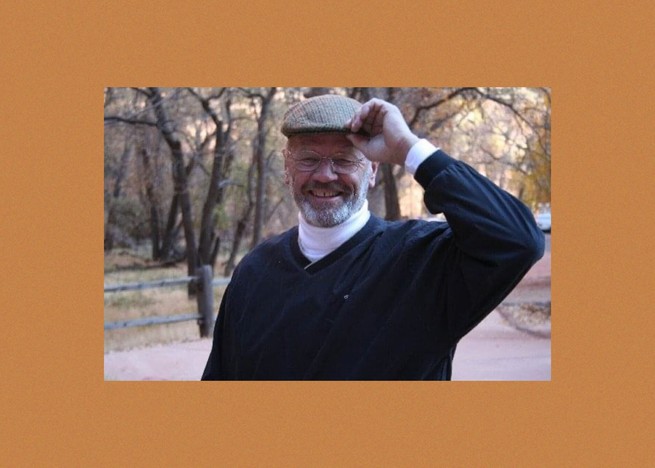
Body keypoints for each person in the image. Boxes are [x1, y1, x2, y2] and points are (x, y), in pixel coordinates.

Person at [202, 94, 544, 380]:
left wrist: (410, 149)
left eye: (344, 160)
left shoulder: (423, 263)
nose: (324, 175)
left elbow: (518, 239)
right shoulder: (255, 273)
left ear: (374, 170)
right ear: (287, 168)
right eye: (308, 159)